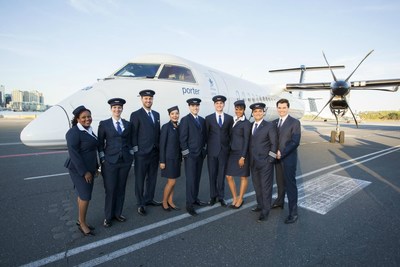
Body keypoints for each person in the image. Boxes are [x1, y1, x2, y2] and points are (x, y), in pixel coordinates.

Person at [98, 98, 134, 227]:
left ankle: (118, 213)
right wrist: (103, 159)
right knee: (110, 189)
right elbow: (100, 144)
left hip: (125, 161)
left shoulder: (128, 124)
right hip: (110, 162)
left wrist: (131, 155)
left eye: (119, 108)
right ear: (111, 109)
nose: (117, 110)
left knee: (121, 188)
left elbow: (130, 142)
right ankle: (108, 217)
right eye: (114, 108)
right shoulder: (104, 124)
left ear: (122, 109)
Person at [65, 105, 98, 236]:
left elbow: (91, 150)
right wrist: (85, 172)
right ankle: (82, 224)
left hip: (89, 167)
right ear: (77, 119)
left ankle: (81, 220)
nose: (87, 119)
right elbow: (74, 154)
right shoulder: (73, 132)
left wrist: (96, 167)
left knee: (82, 195)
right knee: (85, 196)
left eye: (89, 116)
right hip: (79, 169)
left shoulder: (88, 130)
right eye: (83, 117)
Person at [130, 89, 161, 216]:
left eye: (150, 98)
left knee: (152, 178)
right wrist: (136, 151)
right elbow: (133, 134)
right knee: (140, 179)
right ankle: (140, 203)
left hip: (154, 152)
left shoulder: (156, 114)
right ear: (142, 99)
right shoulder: (136, 115)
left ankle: (149, 199)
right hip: (142, 153)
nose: (148, 100)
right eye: (146, 98)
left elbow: (157, 133)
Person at [272, 98, 301, 224]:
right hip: (277, 159)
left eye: (284, 108)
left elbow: (295, 142)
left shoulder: (294, 122)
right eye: (279, 107)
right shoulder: (274, 122)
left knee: (290, 185)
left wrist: (281, 153)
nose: (281, 110)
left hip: (288, 159)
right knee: (279, 182)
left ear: (288, 108)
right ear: (277, 108)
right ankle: (279, 201)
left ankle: (293, 212)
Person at [248, 102, 278, 222]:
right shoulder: (250, 125)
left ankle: (265, 211)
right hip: (253, 162)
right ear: (253, 113)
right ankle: (260, 205)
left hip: (265, 162)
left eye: (260, 111)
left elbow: (274, 143)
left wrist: (270, 159)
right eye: (255, 111)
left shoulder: (269, 126)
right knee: (257, 186)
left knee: (266, 187)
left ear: (263, 112)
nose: (258, 113)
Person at [179, 98, 208, 216]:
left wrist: (204, 150)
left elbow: (204, 137)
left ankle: (195, 198)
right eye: (193, 106)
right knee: (190, 180)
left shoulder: (202, 120)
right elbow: (182, 138)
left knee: (197, 178)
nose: (195, 108)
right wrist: (186, 153)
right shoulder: (185, 120)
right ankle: (189, 204)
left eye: (197, 106)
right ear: (189, 107)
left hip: (200, 154)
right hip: (190, 155)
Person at [205, 95, 233, 207]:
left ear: (224, 105)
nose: (219, 105)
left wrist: (228, 148)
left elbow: (230, 135)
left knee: (221, 175)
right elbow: (206, 135)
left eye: (221, 103)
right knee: (212, 174)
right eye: (217, 103)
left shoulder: (229, 118)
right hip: (212, 151)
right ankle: (213, 196)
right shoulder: (209, 118)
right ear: (214, 105)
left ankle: (221, 197)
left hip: (224, 151)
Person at [225, 100, 251, 209]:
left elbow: (247, 141)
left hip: (241, 153)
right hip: (232, 152)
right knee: (228, 176)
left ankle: (240, 199)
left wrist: (243, 156)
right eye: (236, 109)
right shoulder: (233, 120)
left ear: (244, 110)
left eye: (241, 109)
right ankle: (234, 197)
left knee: (243, 177)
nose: (238, 111)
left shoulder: (246, 123)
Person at [159, 106, 182, 211]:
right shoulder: (166, 127)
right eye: (172, 114)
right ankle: (164, 202)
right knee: (171, 182)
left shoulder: (179, 126)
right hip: (168, 159)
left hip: (176, 159)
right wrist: (162, 161)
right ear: (169, 115)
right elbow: (162, 145)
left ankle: (171, 201)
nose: (175, 115)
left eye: (176, 113)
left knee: (174, 181)